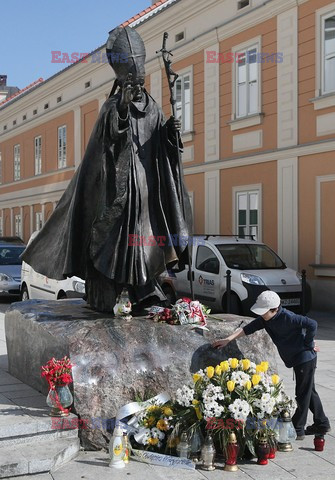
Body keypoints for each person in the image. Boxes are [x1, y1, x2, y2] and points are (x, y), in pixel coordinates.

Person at [22, 26, 192, 313]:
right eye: (132, 84)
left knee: (147, 245)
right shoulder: (112, 107)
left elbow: (163, 150)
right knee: (113, 244)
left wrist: (171, 135)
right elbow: (107, 144)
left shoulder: (154, 109)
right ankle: (106, 292)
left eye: (140, 83)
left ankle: (145, 290)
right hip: (119, 195)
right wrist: (123, 110)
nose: (137, 88)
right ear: (124, 81)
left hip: (148, 195)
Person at [212, 290, 330, 439]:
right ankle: (322, 423)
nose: (261, 315)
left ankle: (297, 428)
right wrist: (228, 339)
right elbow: (247, 329)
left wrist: (308, 342)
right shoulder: (266, 319)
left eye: (264, 312)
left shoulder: (289, 317)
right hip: (298, 358)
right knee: (309, 391)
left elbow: (312, 324)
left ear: (275, 309)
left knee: (302, 394)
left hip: (305, 358)